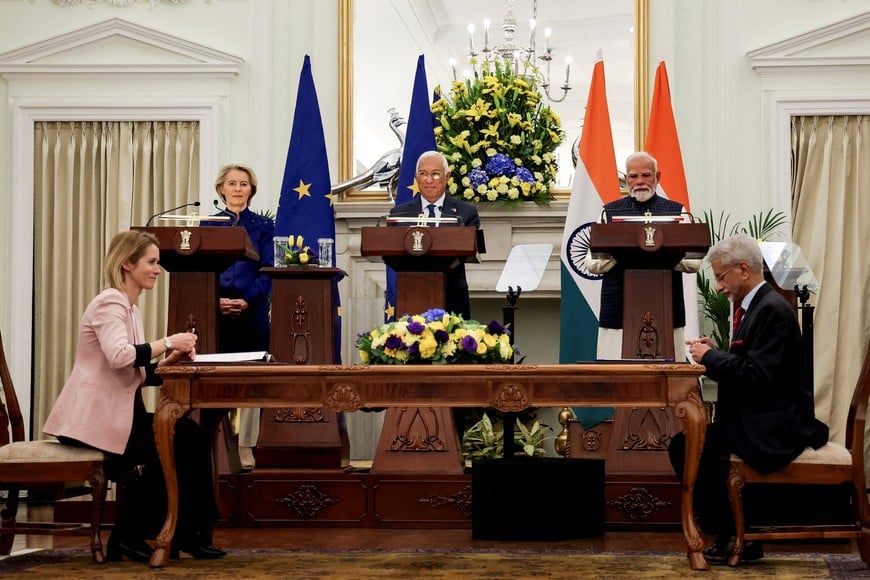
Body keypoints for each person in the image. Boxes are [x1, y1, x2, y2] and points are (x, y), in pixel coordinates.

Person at [44, 230, 225, 562]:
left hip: (114, 418)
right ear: (127, 263)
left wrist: (164, 364)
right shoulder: (110, 301)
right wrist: (169, 342)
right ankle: (136, 536)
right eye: (152, 262)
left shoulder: (130, 308)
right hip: (91, 423)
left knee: (191, 436)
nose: (158, 269)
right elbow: (120, 356)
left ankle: (185, 532)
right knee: (169, 445)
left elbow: (131, 371)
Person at [670, 233, 829, 562]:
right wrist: (716, 354)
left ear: (743, 269)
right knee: (687, 444)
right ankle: (732, 533)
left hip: (776, 426)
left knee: (689, 446)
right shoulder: (759, 305)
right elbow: (749, 365)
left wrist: (711, 359)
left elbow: (757, 375)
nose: (718, 287)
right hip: (758, 417)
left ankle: (734, 535)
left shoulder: (770, 309)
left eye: (720, 277)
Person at [586, 151, 700, 360]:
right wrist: (624, 250)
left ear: (658, 177)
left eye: (646, 175)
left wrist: (659, 254)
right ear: (626, 179)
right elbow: (591, 263)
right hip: (618, 310)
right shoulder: (608, 213)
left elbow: (693, 261)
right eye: (633, 176)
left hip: (666, 308)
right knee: (617, 381)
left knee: (667, 380)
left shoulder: (678, 212)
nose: (639, 182)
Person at [211, 164, 274, 469]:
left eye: (244, 184)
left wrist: (247, 302)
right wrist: (217, 300)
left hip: (253, 314)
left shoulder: (264, 227)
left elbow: (268, 271)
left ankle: (253, 448)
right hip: (216, 316)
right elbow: (202, 271)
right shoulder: (207, 227)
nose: (237, 189)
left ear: (251, 190)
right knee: (218, 383)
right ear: (221, 189)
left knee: (256, 380)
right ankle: (218, 447)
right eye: (232, 183)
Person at [389, 150, 480, 319]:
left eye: (435, 174)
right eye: (423, 174)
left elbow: (466, 251)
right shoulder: (399, 214)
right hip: (412, 294)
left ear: (447, 176)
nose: (429, 180)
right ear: (416, 178)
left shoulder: (466, 212)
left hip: (453, 296)